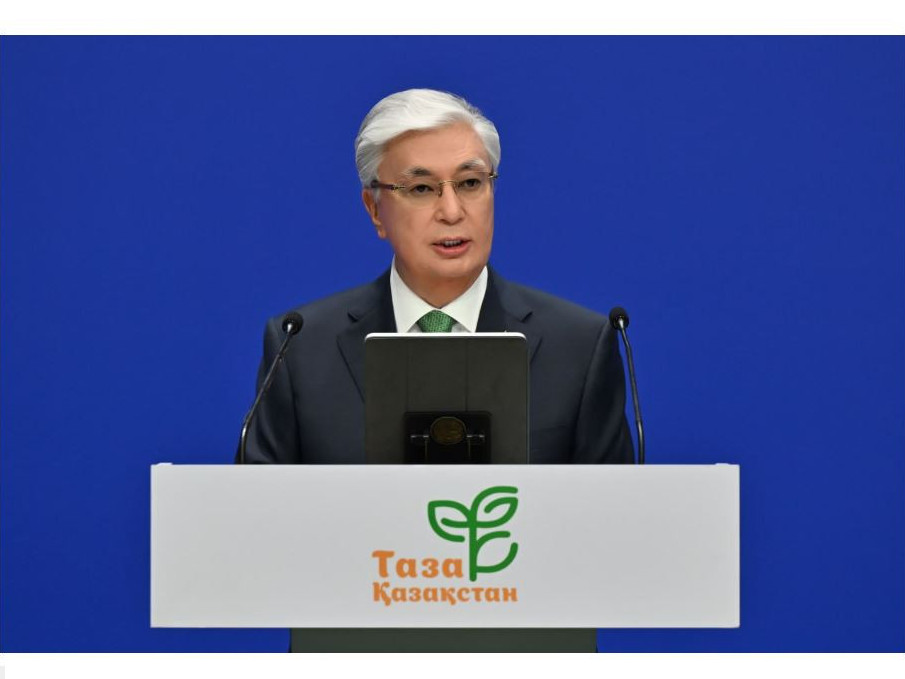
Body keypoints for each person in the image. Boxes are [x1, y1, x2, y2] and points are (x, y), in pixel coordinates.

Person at [243, 88, 633, 466]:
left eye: (470, 183)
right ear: (374, 210)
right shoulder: (299, 349)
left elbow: (611, 506)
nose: (451, 211)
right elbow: (256, 503)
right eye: (421, 188)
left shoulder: (579, 347)